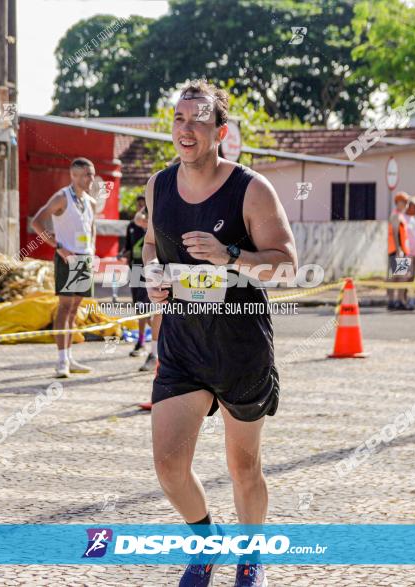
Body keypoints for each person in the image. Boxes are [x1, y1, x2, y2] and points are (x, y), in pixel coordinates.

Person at [142, 80, 296, 587]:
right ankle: (206, 542)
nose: (185, 130)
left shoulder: (250, 188)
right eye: (179, 119)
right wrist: (154, 276)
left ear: (220, 132)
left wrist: (230, 255)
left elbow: (287, 266)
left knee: (244, 467)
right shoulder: (158, 185)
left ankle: (251, 559)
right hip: (183, 346)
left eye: (197, 122)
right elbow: (150, 245)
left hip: (239, 347)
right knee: (168, 464)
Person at [31, 158, 97, 378]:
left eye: (93, 174)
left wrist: (92, 253)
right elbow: (37, 222)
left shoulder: (90, 201)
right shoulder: (62, 197)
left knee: (74, 309)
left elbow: (92, 227)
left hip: (84, 258)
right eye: (87, 174)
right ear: (74, 175)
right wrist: (58, 247)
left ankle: (69, 357)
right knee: (64, 308)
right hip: (67, 257)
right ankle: (61, 361)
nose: (91, 178)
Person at [122, 195, 152, 358]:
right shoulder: (132, 226)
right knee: (141, 309)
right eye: (139, 204)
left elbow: (139, 218)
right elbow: (127, 247)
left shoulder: (153, 224)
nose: (141, 207)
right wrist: (125, 254)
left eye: (144, 205)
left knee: (148, 309)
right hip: (135, 269)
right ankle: (146, 342)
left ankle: (147, 344)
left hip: (150, 270)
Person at [387, 192, 412, 311]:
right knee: (400, 277)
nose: (407, 205)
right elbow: (396, 233)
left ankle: (396, 300)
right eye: (405, 203)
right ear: (399, 203)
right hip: (397, 250)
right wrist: (399, 250)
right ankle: (398, 300)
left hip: (399, 250)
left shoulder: (400, 215)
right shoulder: (396, 216)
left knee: (398, 276)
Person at [403, 196, 415, 310]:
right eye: (414, 207)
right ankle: (400, 300)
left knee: (411, 278)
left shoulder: (413, 220)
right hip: (405, 254)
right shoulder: (402, 218)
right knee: (402, 278)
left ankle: (409, 299)